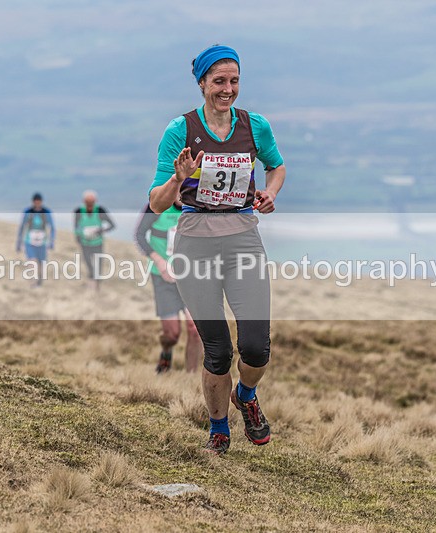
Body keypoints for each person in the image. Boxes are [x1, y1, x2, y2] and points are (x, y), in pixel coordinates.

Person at [148, 45, 286, 455]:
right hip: (195, 242)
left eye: (234, 81)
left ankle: (246, 395)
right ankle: (219, 429)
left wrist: (270, 192)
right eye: (219, 81)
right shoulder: (180, 130)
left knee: (257, 348)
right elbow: (156, 204)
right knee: (218, 350)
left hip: (243, 237)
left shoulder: (255, 125)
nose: (227, 89)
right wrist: (179, 179)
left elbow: (276, 166)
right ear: (202, 83)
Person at [134, 200, 203, 374]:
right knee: (172, 334)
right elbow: (140, 235)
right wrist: (160, 262)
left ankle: (190, 376)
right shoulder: (157, 205)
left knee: (195, 329)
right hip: (162, 276)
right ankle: (166, 352)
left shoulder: (197, 206)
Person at [73, 190, 115, 291]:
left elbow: (112, 225)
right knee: (89, 265)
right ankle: (91, 283)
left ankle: (97, 286)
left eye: (91, 201)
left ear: (95, 201)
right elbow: (76, 226)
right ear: (84, 201)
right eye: (87, 201)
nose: (89, 203)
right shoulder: (78, 211)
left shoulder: (100, 210)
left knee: (98, 265)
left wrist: (101, 231)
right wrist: (79, 236)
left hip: (97, 243)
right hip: (85, 243)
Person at [16, 193, 55, 287]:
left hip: (42, 243)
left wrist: (51, 241)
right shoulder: (28, 212)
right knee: (32, 262)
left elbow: (52, 228)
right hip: (30, 242)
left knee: (41, 264)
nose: (37, 203)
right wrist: (19, 242)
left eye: (39, 201)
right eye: (35, 201)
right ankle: (33, 283)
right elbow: (22, 227)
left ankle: (39, 282)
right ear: (33, 202)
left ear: (41, 202)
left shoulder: (46, 212)